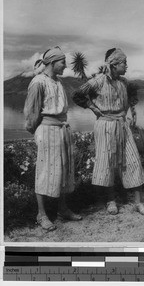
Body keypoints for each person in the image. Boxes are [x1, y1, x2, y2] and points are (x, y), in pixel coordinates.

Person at [72, 48, 144, 216]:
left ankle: (138, 202)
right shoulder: (98, 81)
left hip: (122, 125)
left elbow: (132, 96)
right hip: (105, 126)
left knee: (133, 160)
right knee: (108, 163)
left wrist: (127, 109)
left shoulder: (124, 82)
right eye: (124, 63)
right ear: (114, 64)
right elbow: (77, 95)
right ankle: (111, 200)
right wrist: (93, 107)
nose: (127, 66)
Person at [24, 46, 82, 232]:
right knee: (44, 171)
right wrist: (37, 132)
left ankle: (62, 209)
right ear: (52, 62)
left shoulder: (58, 82)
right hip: (47, 131)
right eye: (62, 62)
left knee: (63, 169)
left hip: (62, 130)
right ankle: (41, 214)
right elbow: (31, 112)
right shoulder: (38, 82)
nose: (65, 65)